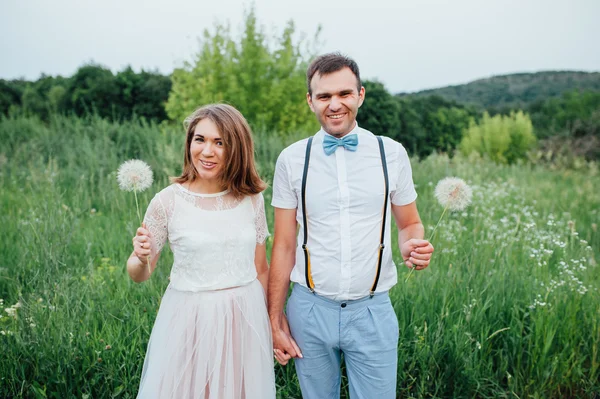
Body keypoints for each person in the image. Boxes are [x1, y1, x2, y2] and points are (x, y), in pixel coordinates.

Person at [268, 53, 434, 398]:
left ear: (360, 94)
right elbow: (283, 244)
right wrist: (274, 317)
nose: (335, 104)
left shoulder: (392, 153)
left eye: (344, 94)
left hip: (372, 311)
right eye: (324, 96)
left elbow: (410, 224)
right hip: (309, 311)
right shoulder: (291, 159)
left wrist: (411, 245)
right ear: (310, 101)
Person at [127, 104, 276, 398]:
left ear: (237, 148)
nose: (207, 151)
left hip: (243, 320)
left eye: (220, 143)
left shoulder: (252, 200)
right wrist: (140, 257)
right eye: (200, 139)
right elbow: (139, 274)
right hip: (190, 321)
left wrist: (269, 324)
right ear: (189, 143)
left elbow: (261, 269)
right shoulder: (167, 202)